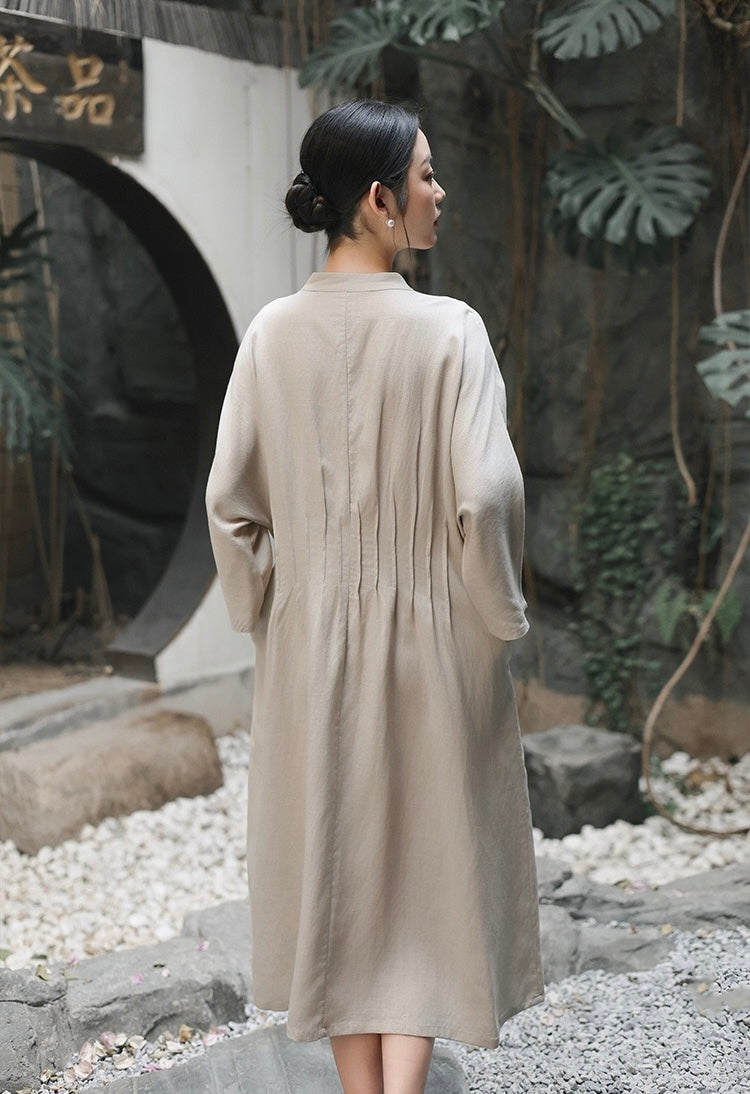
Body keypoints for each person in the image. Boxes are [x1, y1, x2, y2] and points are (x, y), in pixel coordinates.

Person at [205, 99, 544, 1094]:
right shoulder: (450, 331)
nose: (441, 190)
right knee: (428, 875)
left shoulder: (271, 334)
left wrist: (270, 609)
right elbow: (486, 496)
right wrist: (497, 616)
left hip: (310, 643)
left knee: (338, 869)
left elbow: (232, 508)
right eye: (426, 175)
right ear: (380, 201)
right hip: (435, 639)